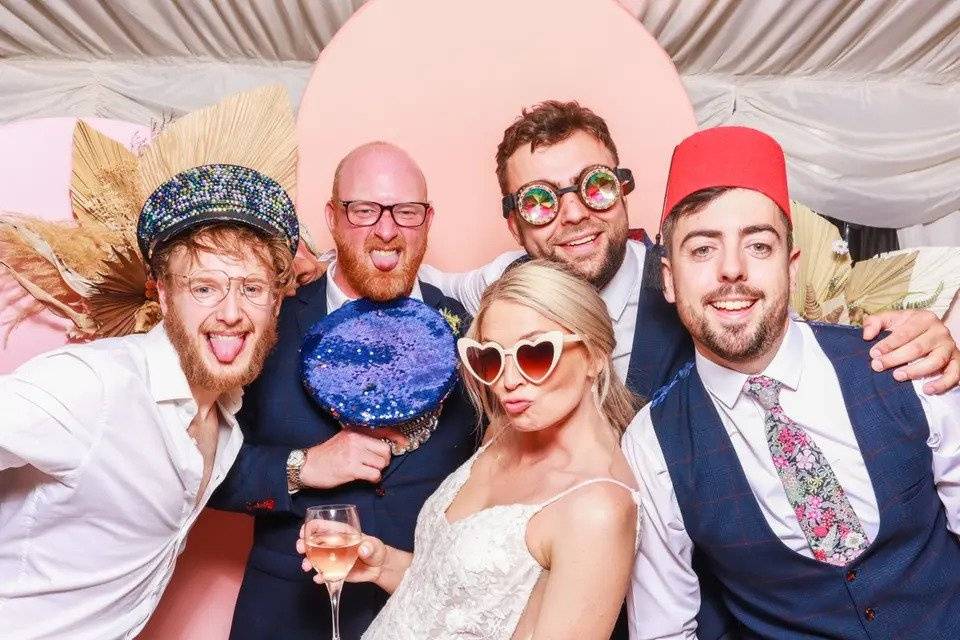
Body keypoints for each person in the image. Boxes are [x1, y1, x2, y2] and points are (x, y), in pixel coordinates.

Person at [622, 126, 960, 639]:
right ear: (668, 279)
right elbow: (664, 629)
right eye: (702, 250)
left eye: (758, 245)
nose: (731, 270)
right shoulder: (652, 445)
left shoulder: (901, 360)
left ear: (791, 266)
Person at [0, 85, 298, 639]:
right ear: (161, 294)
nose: (232, 312)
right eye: (204, 287)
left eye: (253, 288)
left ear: (276, 300)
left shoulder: (225, 422)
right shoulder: (96, 384)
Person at [209, 142, 477, 639]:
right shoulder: (264, 322)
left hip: (425, 616)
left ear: (427, 220)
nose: (387, 229)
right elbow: (195, 469)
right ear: (333, 218)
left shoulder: (472, 333)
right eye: (364, 210)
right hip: (288, 616)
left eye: (406, 211)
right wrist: (301, 467)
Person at [298, 259, 642, 639]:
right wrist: (384, 565)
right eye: (490, 359)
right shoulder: (502, 432)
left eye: (535, 354)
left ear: (594, 355)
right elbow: (464, 604)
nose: (508, 382)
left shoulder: (597, 509)